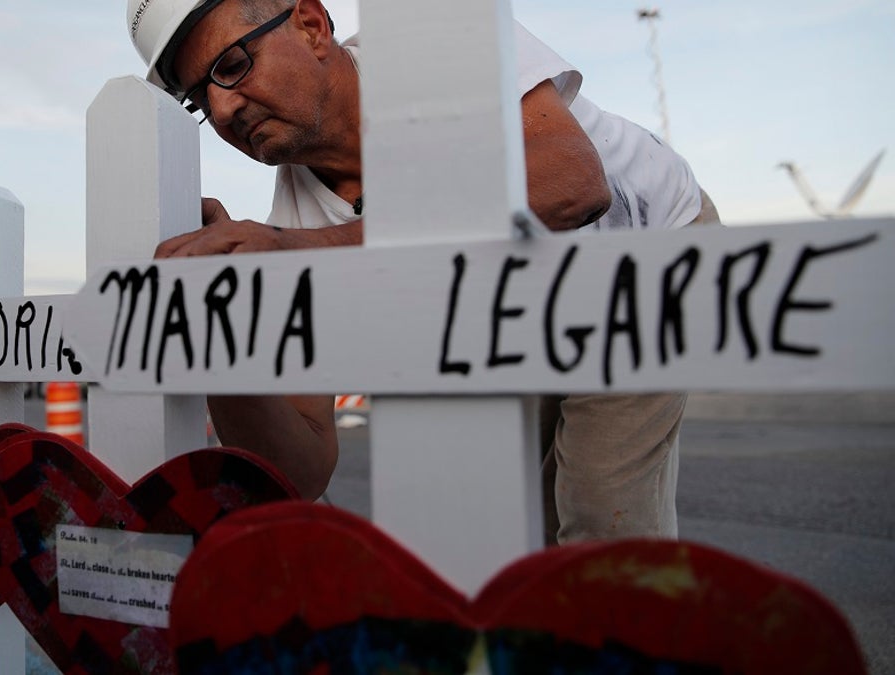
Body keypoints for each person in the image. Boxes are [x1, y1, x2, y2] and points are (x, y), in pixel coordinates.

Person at [125, 0, 720, 543]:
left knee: (600, 516)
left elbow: (570, 186)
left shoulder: (435, 45)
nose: (223, 107)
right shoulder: (296, 219)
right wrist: (226, 326)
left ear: (311, 25)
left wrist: (312, 248)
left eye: (232, 64)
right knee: (512, 531)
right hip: (514, 306)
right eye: (199, 98)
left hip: (633, 252)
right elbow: (302, 468)